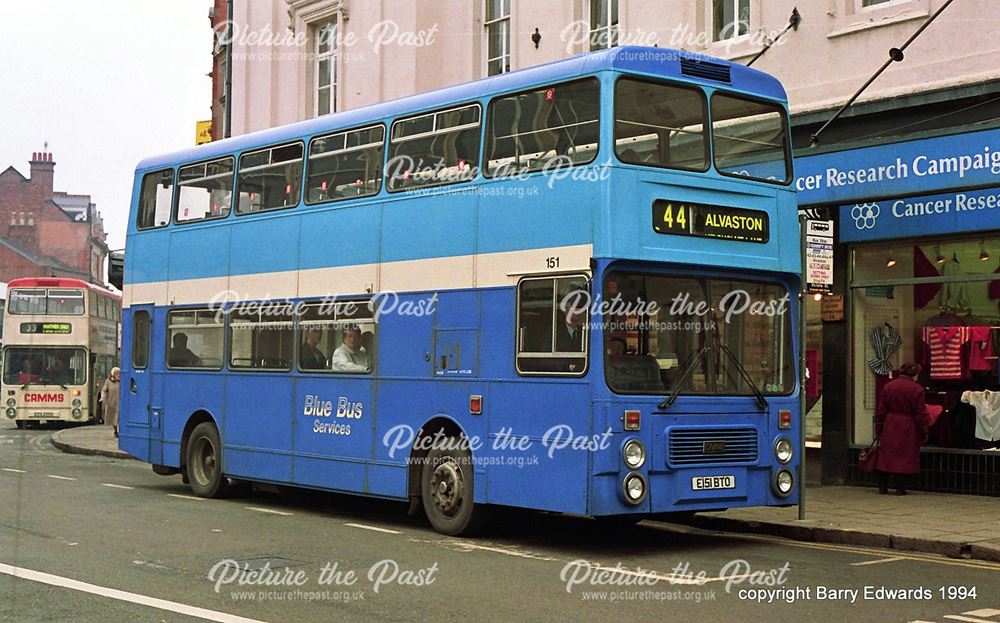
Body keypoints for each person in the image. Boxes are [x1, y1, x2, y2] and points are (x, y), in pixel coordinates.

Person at [874, 362, 931, 495]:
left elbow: (881, 409)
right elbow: (920, 412)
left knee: (886, 455)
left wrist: (879, 426)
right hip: (907, 425)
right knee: (904, 456)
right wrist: (924, 429)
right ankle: (900, 487)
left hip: (890, 422)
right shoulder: (917, 389)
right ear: (915, 374)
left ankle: (883, 486)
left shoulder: (889, 386)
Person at [100, 367, 121, 437]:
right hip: (111, 402)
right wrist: (103, 397)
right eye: (117, 374)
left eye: (119, 373)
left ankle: (119, 431)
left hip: (120, 402)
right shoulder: (108, 381)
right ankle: (115, 430)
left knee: (118, 417)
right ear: (113, 374)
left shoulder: (122, 381)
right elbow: (104, 390)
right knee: (113, 418)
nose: (119, 375)